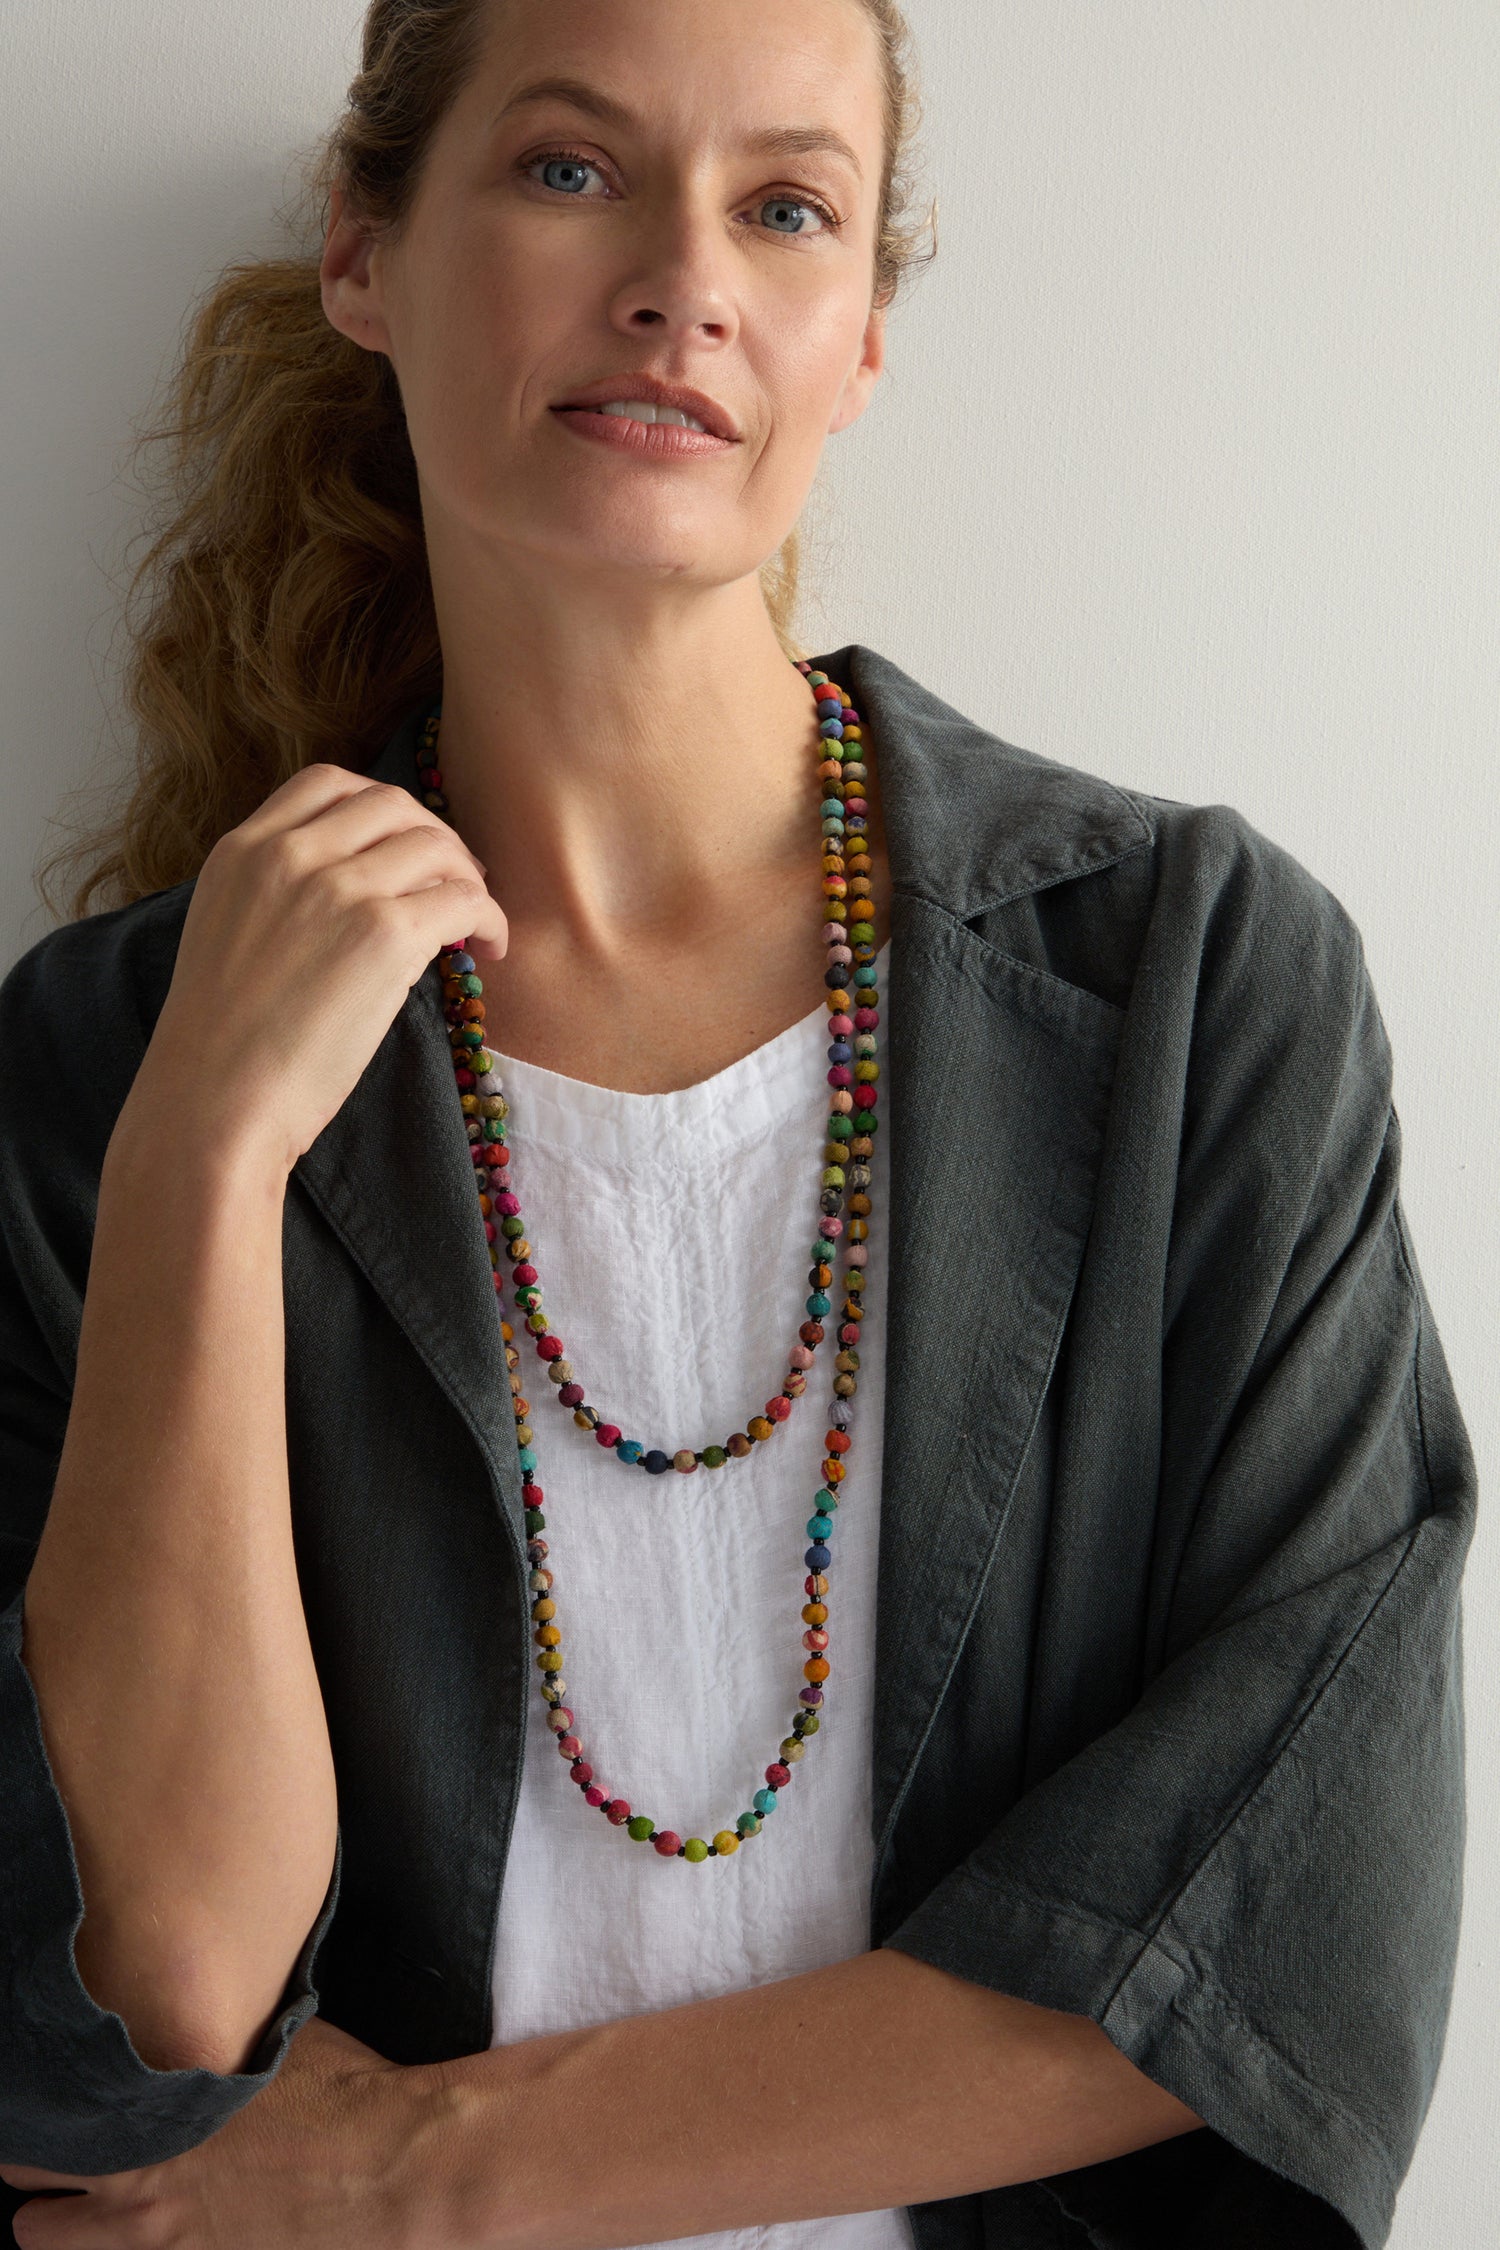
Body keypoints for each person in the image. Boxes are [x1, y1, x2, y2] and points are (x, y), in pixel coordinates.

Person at [0, 1, 1475, 2245]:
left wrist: (425, 2172)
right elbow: (162, 2000)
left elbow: (1273, 1937)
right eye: (572, 168)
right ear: (365, 250)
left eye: (787, 206)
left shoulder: (1192, 982)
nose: (683, 275)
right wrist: (203, 1166)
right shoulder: (110, 1064)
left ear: (858, 335)